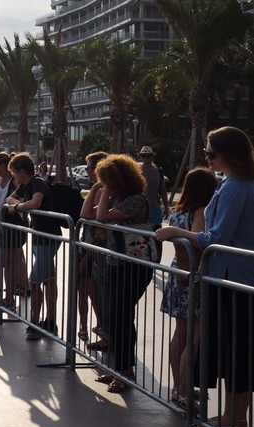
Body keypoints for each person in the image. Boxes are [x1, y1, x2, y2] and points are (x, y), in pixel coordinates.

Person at [156, 126, 254, 427]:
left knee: (236, 353)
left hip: (232, 279)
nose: (207, 158)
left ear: (229, 154)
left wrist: (177, 233)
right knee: (237, 352)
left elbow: (217, 236)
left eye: (211, 152)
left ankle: (234, 420)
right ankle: (234, 418)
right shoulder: (236, 185)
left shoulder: (237, 187)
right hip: (235, 277)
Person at [93, 154, 154, 393]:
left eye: (108, 180)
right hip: (119, 265)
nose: (104, 184)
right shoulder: (120, 201)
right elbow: (87, 212)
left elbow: (101, 217)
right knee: (116, 316)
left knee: (121, 315)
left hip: (134, 266)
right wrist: (99, 188)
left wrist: (105, 190)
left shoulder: (135, 201)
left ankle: (125, 371)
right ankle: (119, 368)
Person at [159, 168, 217, 410]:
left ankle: (177, 387)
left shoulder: (177, 211)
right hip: (194, 276)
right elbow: (198, 238)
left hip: (179, 273)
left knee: (180, 335)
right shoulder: (200, 211)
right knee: (193, 337)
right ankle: (183, 390)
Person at [6, 153, 62, 340]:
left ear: (22, 171)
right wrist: (19, 204)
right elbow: (10, 199)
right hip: (39, 238)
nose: (13, 176)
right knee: (48, 280)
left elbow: (36, 203)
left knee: (35, 281)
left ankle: (34, 322)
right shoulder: (25, 186)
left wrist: (19, 207)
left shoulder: (37, 183)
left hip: (49, 237)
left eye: (14, 172)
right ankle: (50, 321)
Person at [0, 152, 26, 308]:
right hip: (1, 226)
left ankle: (10, 297)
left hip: (13, 227)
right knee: (5, 263)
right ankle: (8, 296)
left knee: (10, 263)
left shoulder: (14, 182)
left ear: (3, 166)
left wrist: (7, 209)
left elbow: (20, 201)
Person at [78, 151, 109, 344]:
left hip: (94, 250)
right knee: (83, 289)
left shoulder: (103, 192)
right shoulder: (95, 189)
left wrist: (87, 256)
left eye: (89, 167)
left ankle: (103, 328)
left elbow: (94, 220)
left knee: (94, 291)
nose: (87, 170)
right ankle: (83, 325)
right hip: (85, 243)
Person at [138, 145, 170, 227]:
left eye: (148, 156)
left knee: (156, 234)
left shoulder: (159, 171)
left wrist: (166, 207)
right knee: (142, 236)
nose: (146, 158)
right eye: (143, 156)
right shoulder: (137, 172)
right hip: (141, 209)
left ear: (152, 157)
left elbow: (163, 190)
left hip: (155, 207)